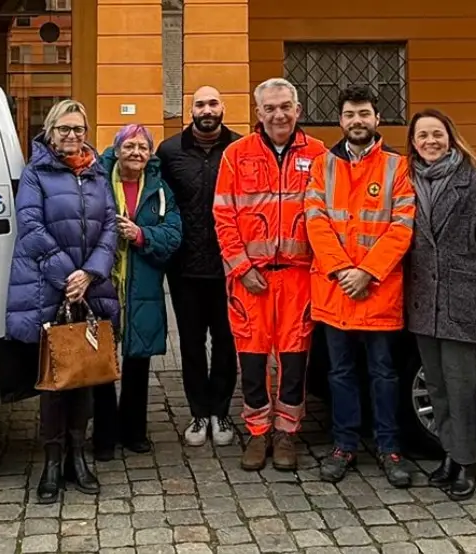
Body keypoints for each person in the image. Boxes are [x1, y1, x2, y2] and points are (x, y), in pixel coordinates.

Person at [304, 86, 421, 486]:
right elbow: (315, 221)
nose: (357, 121)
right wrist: (341, 270)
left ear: (377, 119)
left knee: (384, 374)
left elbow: (403, 226)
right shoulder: (323, 165)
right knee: (340, 374)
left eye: (364, 114)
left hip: (378, 291)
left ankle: (390, 449)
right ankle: (344, 446)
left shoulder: (397, 167)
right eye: (350, 114)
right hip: (336, 290)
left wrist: (367, 272)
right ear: (340, 120)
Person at [4, 99, 120, 505]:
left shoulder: (97, 173)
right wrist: (68, 275)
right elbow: (31, 227)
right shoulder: (36, 173)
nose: (72, 136)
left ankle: (78, 456)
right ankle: (52, 462)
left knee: (84, 376)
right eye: (64, 129)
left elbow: (109, 227)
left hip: (90, 287)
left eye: (79, 129)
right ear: (50, 132)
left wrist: (90, 273)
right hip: (48, 290)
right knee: (55, 382)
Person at [213, 78, 328, 472]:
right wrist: (241, 268)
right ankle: (258, 432)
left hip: (299, 277)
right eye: (270, 108)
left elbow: (327, 216)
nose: (278, 114)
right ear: (257, 113)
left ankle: (286, 434)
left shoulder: (318, 155)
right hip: (251, 281)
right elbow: (223, 215)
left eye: (285, 106)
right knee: (254, 361)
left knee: (295, 361)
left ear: (297, 110)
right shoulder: (235, 154)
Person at [402, 108, 476, 501]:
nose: (430, 142)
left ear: (451, 137)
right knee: (437, 388)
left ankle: (468, 463)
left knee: (462, 386)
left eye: (437, 134)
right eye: (422, 136)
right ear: (412, 143)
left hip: (464, 301)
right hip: (422, 303)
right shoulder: (407, 184)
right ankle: (450, 453)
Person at [155, 86, 242, 448]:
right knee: (191, 344)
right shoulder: (170, 151)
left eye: (213, 103)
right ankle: (198, 411)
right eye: (200, 104)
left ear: (223, 108)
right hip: (185, 267)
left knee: (226, 342)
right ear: (190, 110)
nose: (207, 110)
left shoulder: (240, 149)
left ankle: (220, 411)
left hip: (229, 265)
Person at [91, 124, 182, 460]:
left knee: (137, 360)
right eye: (129, 146)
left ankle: (134, 431)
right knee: (101, 361)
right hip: (104, 283)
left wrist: (141, 234)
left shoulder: (159, 189)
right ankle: (103, 434)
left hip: (143, 285)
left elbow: (174, 233)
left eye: (143, 147)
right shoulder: (97, 183)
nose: (136, 153)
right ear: (117, 149)